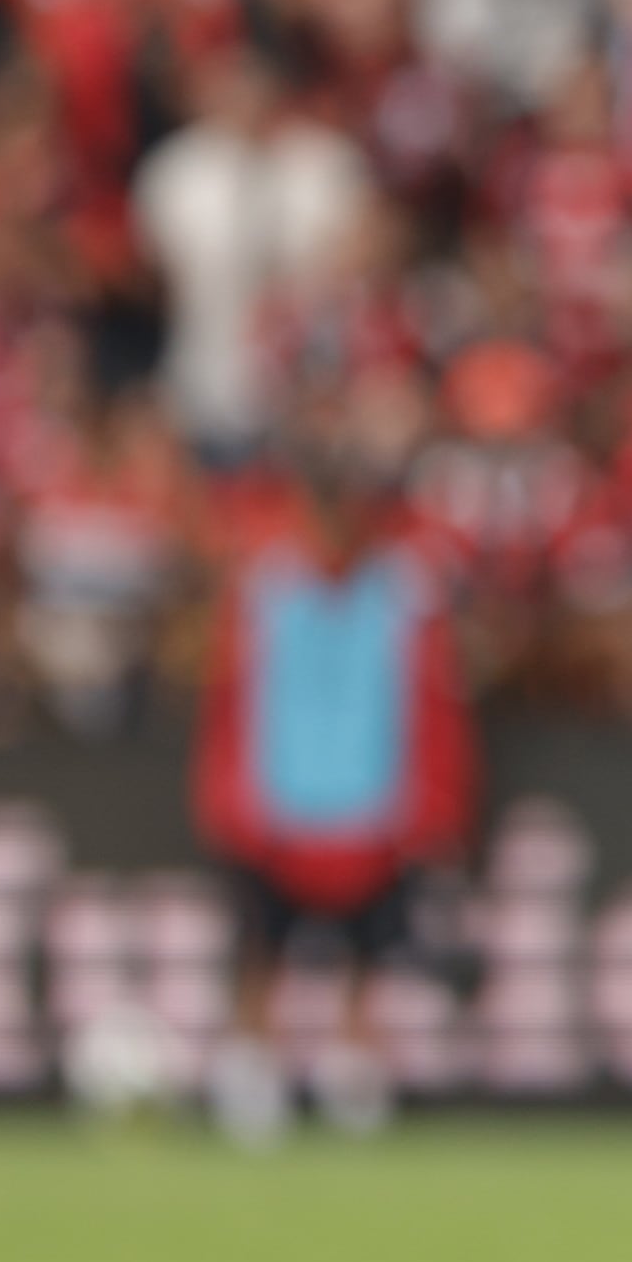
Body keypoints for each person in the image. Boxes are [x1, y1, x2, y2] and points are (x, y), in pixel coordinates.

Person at [191, 438, 473, 1104]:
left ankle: (355, 1071)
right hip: (277, 807)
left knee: (368, 957)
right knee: (260, 952)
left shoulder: (407, 591)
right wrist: (226, 798)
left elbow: (436, 703)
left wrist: (436, 804)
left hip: (372, 809)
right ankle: (252, 1071)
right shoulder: (263, 585)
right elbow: (229, 696)